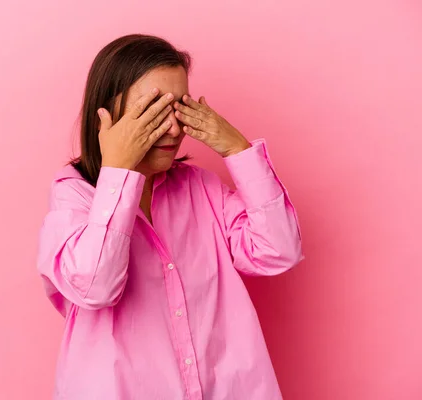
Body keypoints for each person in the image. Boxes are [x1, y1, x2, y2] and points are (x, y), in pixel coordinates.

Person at [37, 34, 304, 400]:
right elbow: (95, 287)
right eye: (154, 111)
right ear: (107, 115)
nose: (176, 130)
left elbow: (279, 250)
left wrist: (238, 150)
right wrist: (119, 170)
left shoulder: (200, 188)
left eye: (178, 108)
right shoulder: (73, 196)